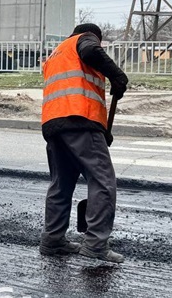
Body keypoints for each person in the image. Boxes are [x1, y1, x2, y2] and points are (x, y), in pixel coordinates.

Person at [39, 23, 129, 263]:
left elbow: (73, 88)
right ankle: (96, 244)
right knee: (102, 181)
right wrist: (117, 76)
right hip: (79, 120)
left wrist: (101, 129)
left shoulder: (57, 53)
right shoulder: (86, 40)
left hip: (54, 124)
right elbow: (91, 52)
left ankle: (53, 239)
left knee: (61, 184)